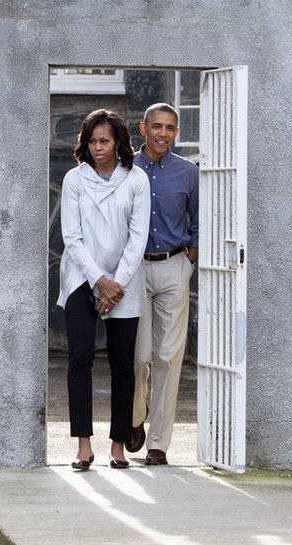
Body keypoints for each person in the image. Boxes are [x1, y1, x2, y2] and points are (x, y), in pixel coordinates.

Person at [57, 109, 150, 470]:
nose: (98, 147)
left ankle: (117, 446)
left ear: (118, 143)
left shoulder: (136, 180)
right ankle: (83, 445)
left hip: (124, 282)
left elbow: (138, 237)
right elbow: (72, 236)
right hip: (83, 278)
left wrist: (116, 284)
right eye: (92, 141)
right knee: (79, 357)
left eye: (105, 141)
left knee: (122, 364)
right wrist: (99, 280)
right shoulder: (74, 179)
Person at [126, 103, 199, 466]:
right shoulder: (126, 169)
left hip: (173, 266)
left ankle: (158, 443)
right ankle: (136, 416)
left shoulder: (188, 172)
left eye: (170, 128)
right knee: (139, 357)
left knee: (168, 357)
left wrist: (189, 260)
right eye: (157, 126)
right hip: (134, 269)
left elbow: (200, 219)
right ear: (143, 128)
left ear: (176, 132)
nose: (163, 134)